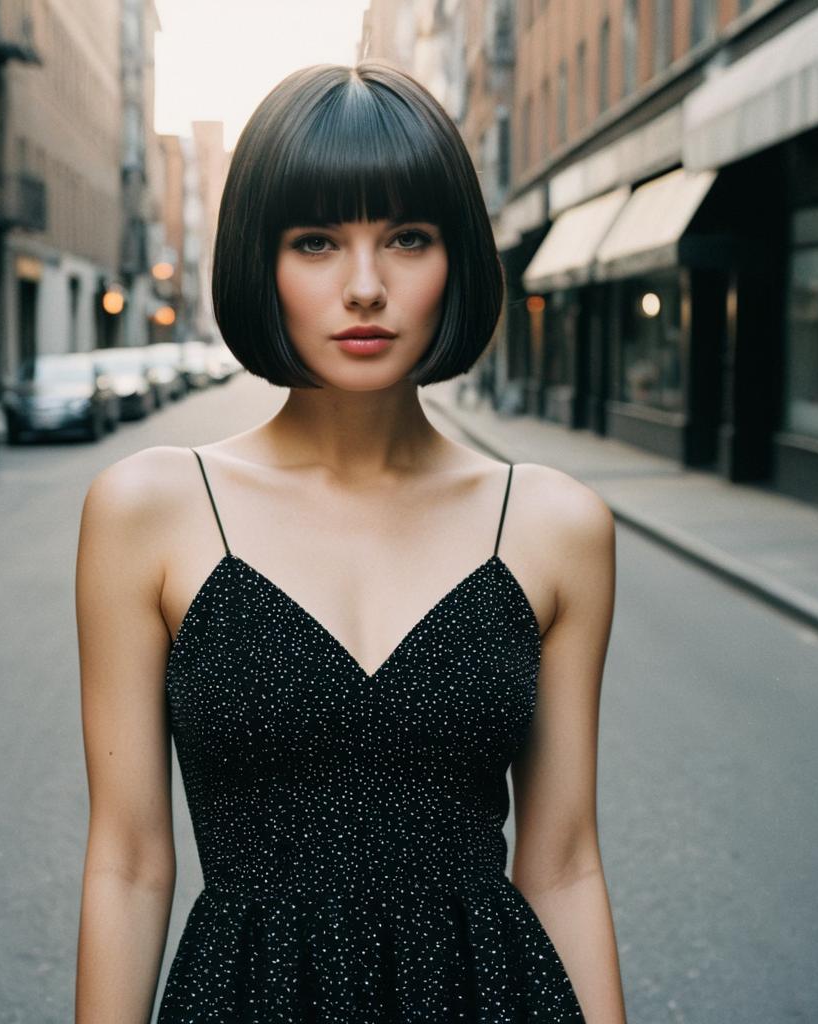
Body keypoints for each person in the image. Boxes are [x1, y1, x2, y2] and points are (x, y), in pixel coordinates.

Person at [74, 62, 626, 1024]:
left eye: (408, 237)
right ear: (263, 260)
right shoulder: (151, 510)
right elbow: (127, 863)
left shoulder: (553, 524)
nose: (365, 287)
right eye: (318, 241)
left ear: (458, 257)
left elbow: (565, 862)